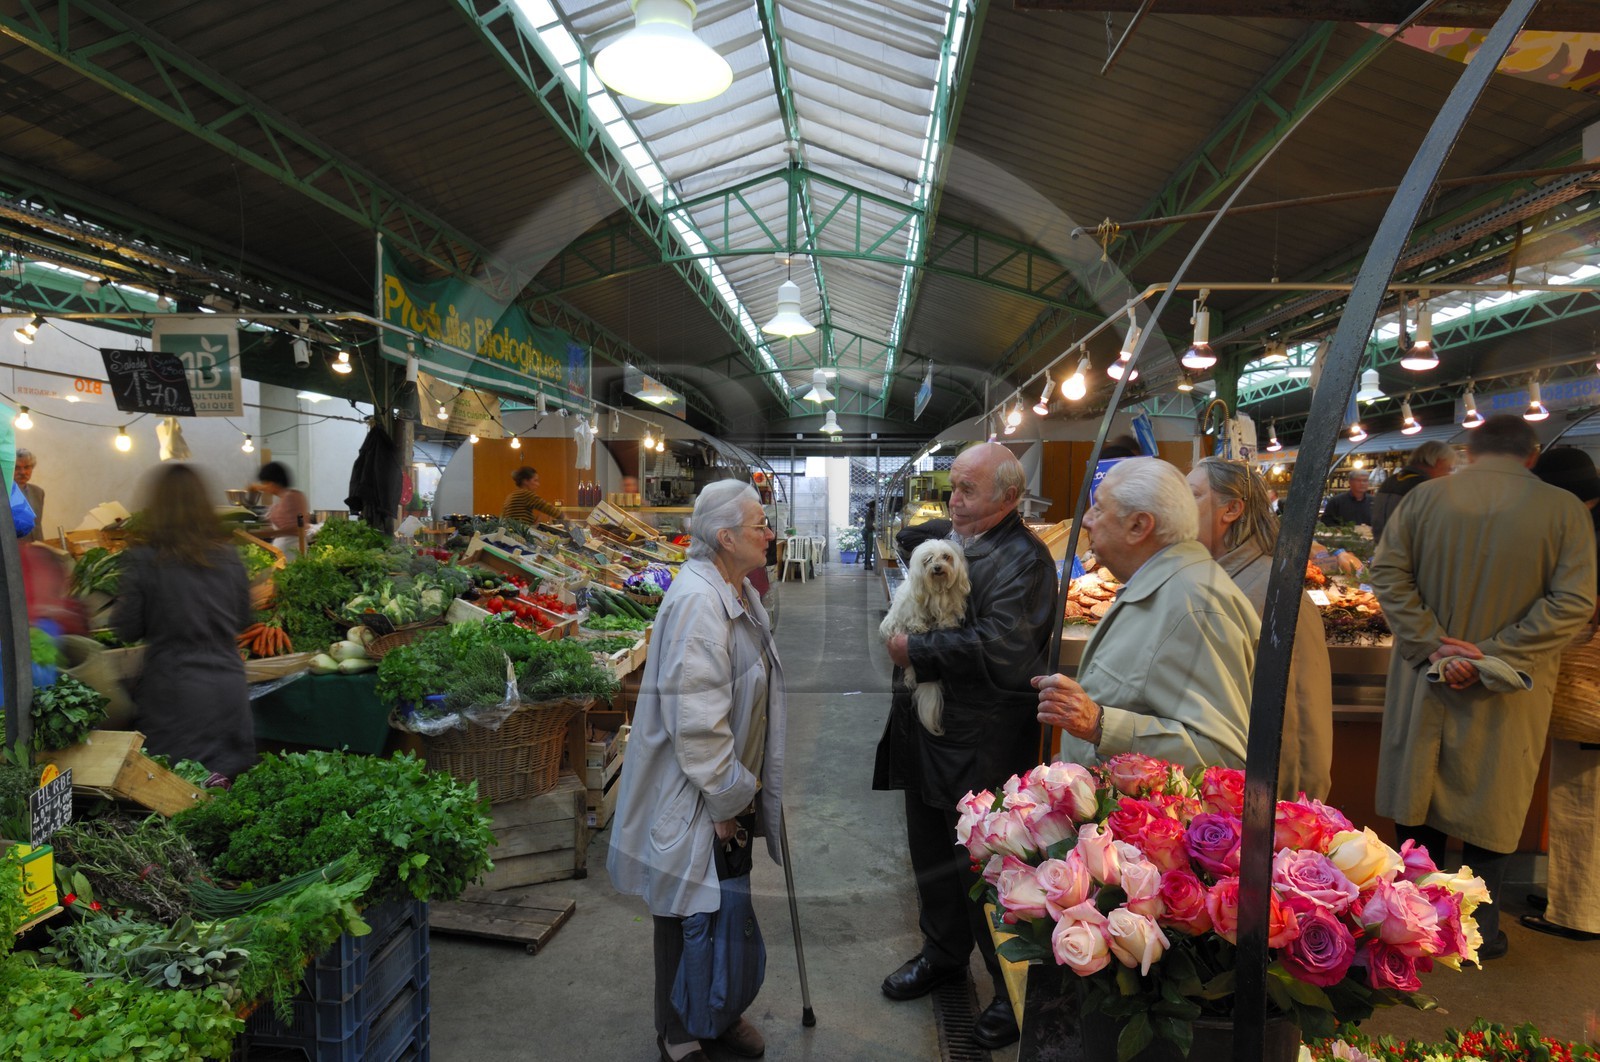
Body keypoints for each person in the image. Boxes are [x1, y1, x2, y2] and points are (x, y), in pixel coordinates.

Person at [1369, 415, 1596, 961]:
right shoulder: (1564, 510)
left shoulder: (1422, 500)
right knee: (1492, 800)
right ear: (1532, 455)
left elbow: (1388, 575)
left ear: (1469, 451)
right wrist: (1495, 655)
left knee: (1417, 792)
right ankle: (1478, 931)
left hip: (1426, 679)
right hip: (1508, 689)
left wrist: (1433, 646)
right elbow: (1574, 602)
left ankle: (1410, 924)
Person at [873, 442, 1055, 1051]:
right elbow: (915, 546)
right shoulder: (961, 539)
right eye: (952, 487)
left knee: (987, 867)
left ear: (1009, 497)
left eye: (967, 490)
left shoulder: (1025, 561)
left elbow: (1005, 647)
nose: (953, 500)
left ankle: (1010, 988)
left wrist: (915, 651)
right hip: (929, 735)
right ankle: (943, 954)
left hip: (982, 743)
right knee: (930, 854)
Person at [607, 481, 784, 1062]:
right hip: (697, 791)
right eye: (759, 524)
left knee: (725, 904)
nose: (769, 533)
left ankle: (720, 1010)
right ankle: (680, 1030)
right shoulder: (698, 606)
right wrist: (724, 802)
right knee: (686, 913)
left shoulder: (737, 590)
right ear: (725, 537)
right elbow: (698, 725)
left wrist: (739, 794)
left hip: (730, 784)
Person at [1034, 458, 1258, 770]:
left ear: (1139, 525)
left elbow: (1223, 757)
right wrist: (1075, 757)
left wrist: (1098, 724)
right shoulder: (1159, 588)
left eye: (1099, 508)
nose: (1086, 520)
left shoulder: (1194, 605)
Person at [1187, 457, 1333, 799]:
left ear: (1231, 509)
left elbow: (1297, 721)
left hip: (1255, 802)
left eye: (1192, 494)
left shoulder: (1275, 591)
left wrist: (1288, 807)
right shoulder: (1207, 577)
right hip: (1214, 790)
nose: (1177, 504)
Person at [110, 464, 255, 781]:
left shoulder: (143, 559)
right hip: (229, 688)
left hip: (175, 695)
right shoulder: (229, 556)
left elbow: (127, 628)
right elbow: (243, 618)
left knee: (175, 792)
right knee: (229, 790)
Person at [1523, 446, 1600, 942]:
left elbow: (1580, 608)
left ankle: (1576, 913)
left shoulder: (1589, 532)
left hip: (1590, 688)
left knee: (1581, 801)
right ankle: (1567, 892)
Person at [1370, 441, 1457, 542]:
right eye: (1449, 469)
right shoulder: (1425, 486)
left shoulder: (1390, 481)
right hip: (1408, 549)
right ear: (1439, 462)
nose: (1448, 475)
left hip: (1383, 547)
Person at [253, 461, 309, 559]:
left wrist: (262, 534)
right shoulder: (284, 497)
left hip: (291, 548)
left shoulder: (291, 497)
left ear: (274, 482)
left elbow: (296, 528)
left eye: (266, 483)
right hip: (283, 548)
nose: (265, 487)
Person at [14, 449, 43, 544]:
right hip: (13, 548)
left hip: (36, 546)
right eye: (16, 467)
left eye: (27, 467)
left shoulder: (38, 492)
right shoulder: (3, 494)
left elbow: (37, 524)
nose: (22, 472)